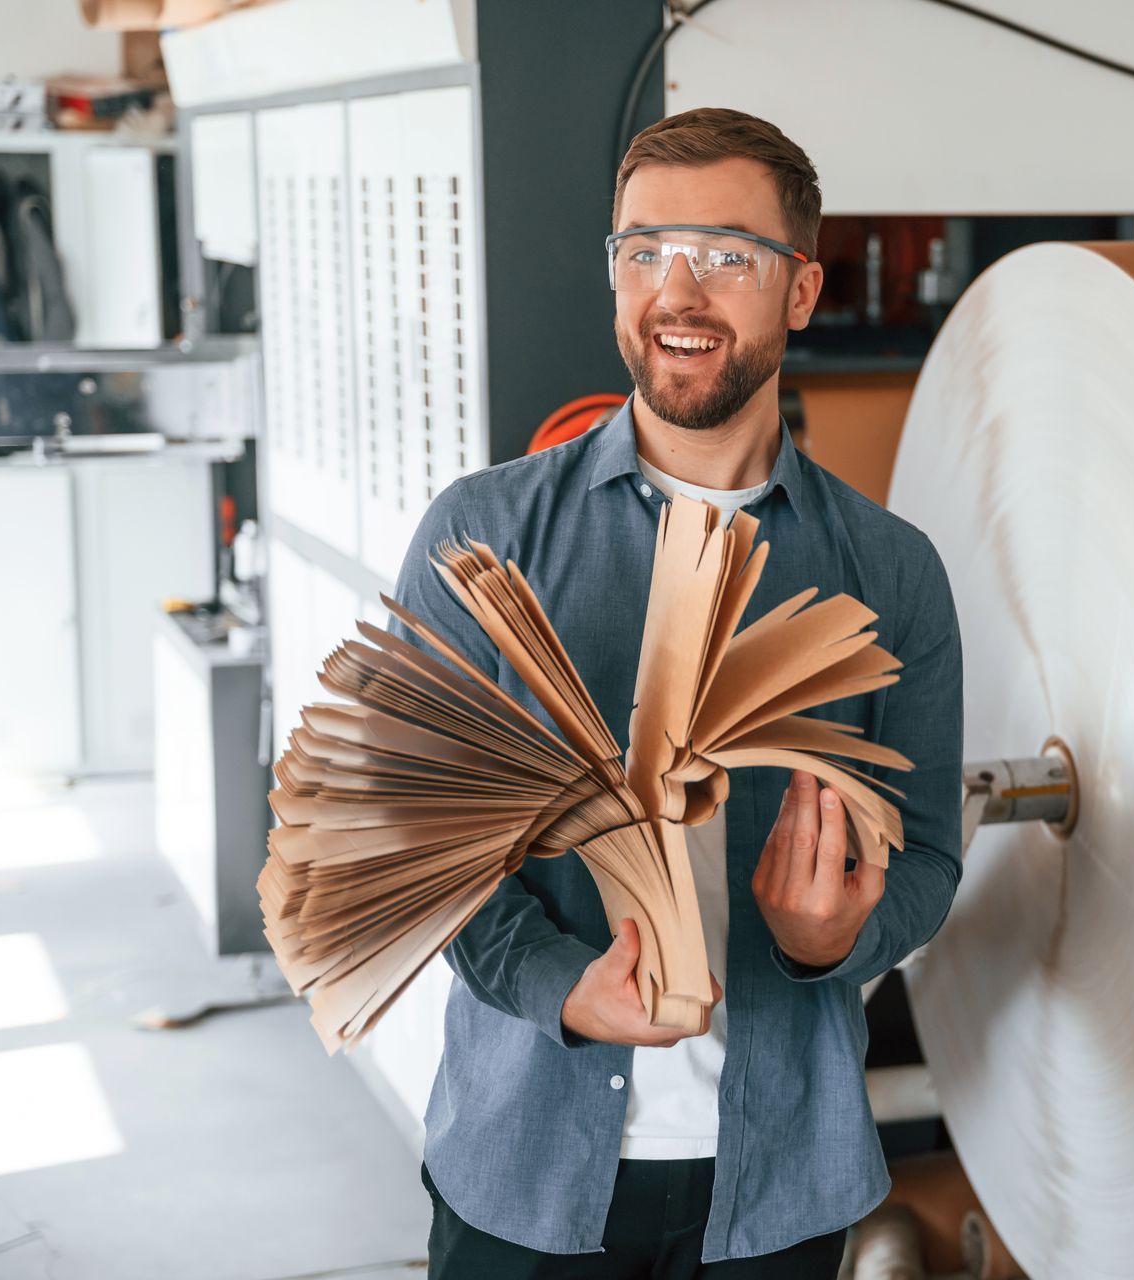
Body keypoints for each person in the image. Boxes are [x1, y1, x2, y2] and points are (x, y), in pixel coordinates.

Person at [389, 107, 964, 1279]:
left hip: (781, 1183)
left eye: (725, 254)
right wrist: (564, 984)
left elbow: (934, 861)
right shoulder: (483, 536)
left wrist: (835, 938)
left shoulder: (892, 570)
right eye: (642, 251)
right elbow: (417, 851)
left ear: (801, 290)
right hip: (524, 1168)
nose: (677, 291)